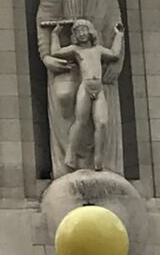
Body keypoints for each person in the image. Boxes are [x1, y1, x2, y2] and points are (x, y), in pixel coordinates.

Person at [41, 17, 125, 171]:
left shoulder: (98, 50)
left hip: (98, 88)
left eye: (84, 30)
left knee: (102, 123)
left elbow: (114, 54)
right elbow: (56, 52)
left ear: (90, 32)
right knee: (80, 121)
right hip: (85, 88)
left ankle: (98, 158)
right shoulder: (76, 50)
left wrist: (118, 35)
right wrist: (55, 34)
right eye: (78, 31)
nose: (82, 34)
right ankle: (70, 153)